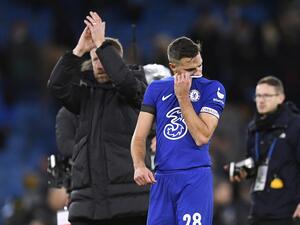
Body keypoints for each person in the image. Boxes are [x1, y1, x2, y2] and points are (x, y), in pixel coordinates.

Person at [48, 11, 150, 225]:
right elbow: (56, 86)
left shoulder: (137, 90)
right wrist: (78, 51)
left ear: (117, 61)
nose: (100, 65)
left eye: (105, 59)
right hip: (88, 206)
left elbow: (126, 83)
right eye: (95, 59)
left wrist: (102, 44)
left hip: (129, 205)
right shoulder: (84, 96)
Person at [131, 36, 226, 225]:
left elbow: (202, 136)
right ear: (173, 67)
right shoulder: (156, 89)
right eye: (191, 69)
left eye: (200, 65)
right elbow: (139, 136)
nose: (198, 72)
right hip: (162, 180)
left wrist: (183, 98)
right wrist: (139, 165)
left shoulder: (213, 89)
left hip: (195, 178)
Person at [228, 76, 300, 225]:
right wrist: (239, 170)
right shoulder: (254, 128)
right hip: (260, 210)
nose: (261, 100)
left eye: (267, 95)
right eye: (258, 95)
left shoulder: (295, 125)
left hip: (289, 212)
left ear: (280, 98)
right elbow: (256, 162)